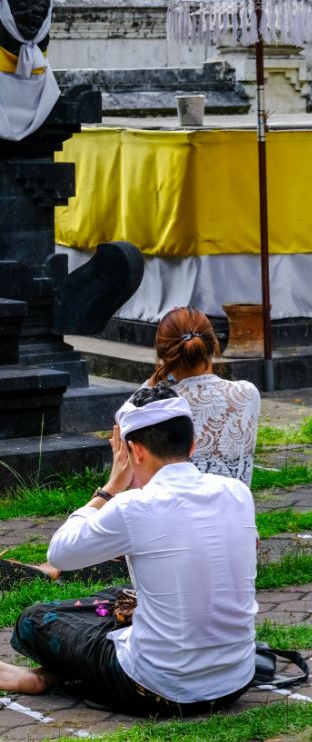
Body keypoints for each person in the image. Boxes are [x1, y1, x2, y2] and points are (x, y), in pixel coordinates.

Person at [0, 386, 258, 715]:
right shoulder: (236, 492)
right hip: (235, 681)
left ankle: (43, 678)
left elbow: (60, 555)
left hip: (155, 688)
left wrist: (109, 488)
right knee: (117, 598)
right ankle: (75, 669)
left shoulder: (133, 506)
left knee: (36, 620)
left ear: (134, 451)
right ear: (192, 444)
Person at [150, 306, 260, 485]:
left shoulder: (157, 403)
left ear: (164, 354)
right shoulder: (247, 394)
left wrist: (157, 379)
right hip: (236, 510)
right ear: (214, 344)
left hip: (175, 512)